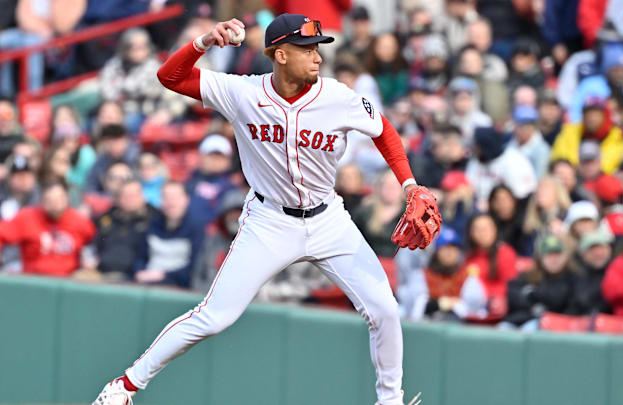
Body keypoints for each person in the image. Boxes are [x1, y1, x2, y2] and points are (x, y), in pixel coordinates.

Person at [93, 15, 437, 405]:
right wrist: (203, 42)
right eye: (307, 49)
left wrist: (409, 183)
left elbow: (384, 130)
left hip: (329, 219)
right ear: (280, 54)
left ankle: (390, 401)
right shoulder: (241, 92)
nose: (318, 57)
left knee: (386, 311)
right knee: (214, 316)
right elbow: (169, 78)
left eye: (318, 48)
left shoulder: (338, 97)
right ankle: (125, 386)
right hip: (269, 221)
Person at [0, 180, 95, 276]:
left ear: (67, 199)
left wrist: (90, 260)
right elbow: (2, 233)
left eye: (59, 199)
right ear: (42, 201)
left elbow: (95, 241)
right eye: (50, 200)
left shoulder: (79, 221)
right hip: (34, 280)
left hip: (68, 281)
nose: (55, 205)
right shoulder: (28, 217)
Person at [404, 227, 487, 321]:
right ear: (436, 252)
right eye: (445, 248)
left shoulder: (468, 276)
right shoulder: (422, 275)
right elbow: (414, 309)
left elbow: (474, 308)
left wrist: (453, 305)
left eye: (453, 249)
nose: (449, 253)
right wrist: (437, 304)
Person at [133, 181, 204, 288]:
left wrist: (163, 276)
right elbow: (141, 257)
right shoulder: (152, 224)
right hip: (145, 284)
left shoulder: (197, 228)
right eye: (166, 197)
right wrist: (139, 272)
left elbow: (195, 267)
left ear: (186, 200)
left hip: (178, 288)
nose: (170, 202)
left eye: (175, 197)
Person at [84, 180, 155, 282]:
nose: (129, 200)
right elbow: (93, 245)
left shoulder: (154, 220)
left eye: (133, 195)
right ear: (119, 199)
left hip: (133, 276)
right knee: (80, 278)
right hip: (101, 272)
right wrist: (90, 259)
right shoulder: (108, 218)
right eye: (125, 196)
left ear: (143, 196)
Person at [503, 234, 574, 331]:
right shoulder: (529, 275)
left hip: (552, 326)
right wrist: (531, 303)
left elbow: (558, 301)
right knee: (503, 328)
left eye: (557, 255)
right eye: (549, 255)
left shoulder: (571, 278)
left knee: (531, 328)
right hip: (521, 319)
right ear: (541, 258)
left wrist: (532, 294)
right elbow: (512, 293)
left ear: (564, 257)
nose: (554, 259)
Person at [551, 97, 623, 174]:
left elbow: (606, 166)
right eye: (588, 114)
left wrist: (581, 168)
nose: (592, 118)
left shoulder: (616, 137)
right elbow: (559, 158)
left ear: (604, 116)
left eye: (596, 115)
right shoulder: (570, 132)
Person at [462, 213, 518, 319]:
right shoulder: (467, 257)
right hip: (470, 309)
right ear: (471, 233)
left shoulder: (505, 253)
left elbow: (510, 286)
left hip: (497, 310)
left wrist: (488, 298)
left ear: (495, 230)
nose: (483, 233)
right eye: (477, 229)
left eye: (487, 228)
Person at [192, 189, 245, 292]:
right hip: (207, 296)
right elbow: (197, 275)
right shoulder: (212, 240)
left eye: (238, 213)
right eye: (231, 213)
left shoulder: (252, 244)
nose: (234, 218)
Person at [185, 134, 236, 227]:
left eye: (220, 156)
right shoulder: (189, 182)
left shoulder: (232, 188)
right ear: (201, 156)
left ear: (228, 160)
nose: (215, 160)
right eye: (211, 155)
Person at [567, 228, 614, 315]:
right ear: (583, 254)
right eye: (591, 249)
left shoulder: (619, 272)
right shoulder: (574, 277)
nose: (598, 253)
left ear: (609, 250)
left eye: (601, 248)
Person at [506, 105, 550, 178]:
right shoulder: (509, 144)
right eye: (521, 125)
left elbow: (538, 178)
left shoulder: (542, 150)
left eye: (529, 125)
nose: (525, 129)